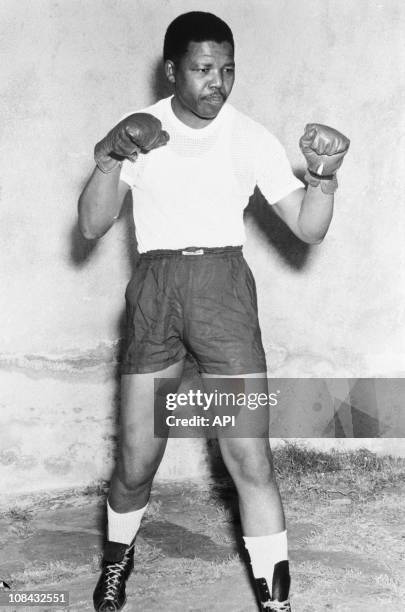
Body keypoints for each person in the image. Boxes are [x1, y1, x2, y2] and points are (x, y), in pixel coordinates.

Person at [78, 11, 349, 612]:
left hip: (223, 294)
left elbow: (307, 227)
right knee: (136, 460)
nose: (217, 83)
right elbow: (94, 224)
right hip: (155, 291)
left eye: (227, 70)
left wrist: (324, 177)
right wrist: (107, 156)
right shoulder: (139, 132)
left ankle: (275, 602)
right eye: (203, 70)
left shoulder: (250, 136)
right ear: (173, 69)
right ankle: (116, 565)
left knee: (250, 455)